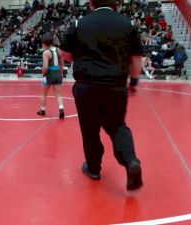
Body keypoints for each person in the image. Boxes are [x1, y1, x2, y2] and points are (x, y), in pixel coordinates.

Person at [59, 0, 143, 191]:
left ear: (90, 3)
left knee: (89, 129)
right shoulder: (127, 24)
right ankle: (131, 161)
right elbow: (136, 57)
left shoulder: (80, 24)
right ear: (115, 3)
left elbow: (64, 52)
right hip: (115, 86)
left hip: (86, 86)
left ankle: (94, 168)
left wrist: (79, 56)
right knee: (118, 126)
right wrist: (134, 81)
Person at [37, 33, 65, 119]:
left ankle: (42, 110)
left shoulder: (46, 53)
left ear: (45, 43)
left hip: (49, 74)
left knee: (44, 94)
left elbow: (45, 66)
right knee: (58, 94)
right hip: (57, 73)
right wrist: (61, 73)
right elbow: (62, 64)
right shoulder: (59, 50)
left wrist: (43, 74)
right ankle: (61, 109)